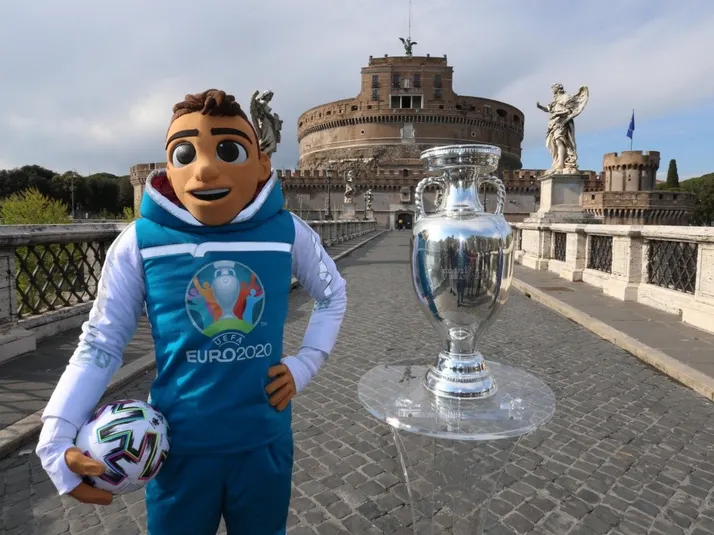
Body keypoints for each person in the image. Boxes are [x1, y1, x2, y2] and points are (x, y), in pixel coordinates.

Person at [35, 89, 347, 535]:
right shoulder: (140, 242)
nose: (203, 169)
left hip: (263, 442)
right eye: (184, 153)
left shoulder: (287, 232)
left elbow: (333, 293)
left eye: (229, 151)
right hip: (177, 450)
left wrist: (306, 363)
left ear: (262, 165)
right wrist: (55, 435)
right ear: (168, 168)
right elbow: (102, 341)